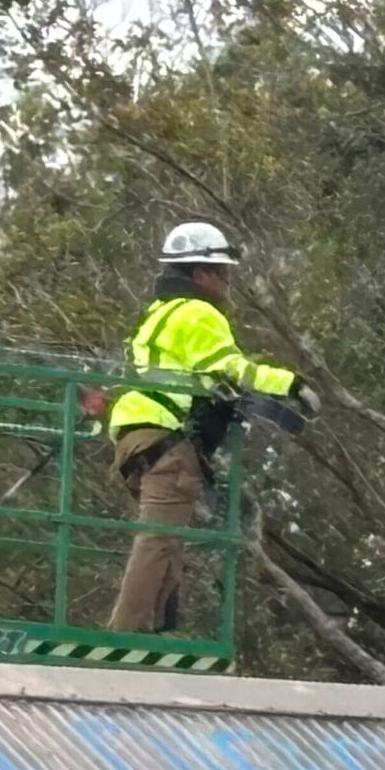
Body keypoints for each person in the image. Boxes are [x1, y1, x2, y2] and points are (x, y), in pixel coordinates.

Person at [106, 223, 317, 632]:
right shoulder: (198, 312)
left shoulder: (158, 313)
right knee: (157, 539)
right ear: (200, 273)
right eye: (222, 272)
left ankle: (157, 633)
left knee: (167, 540)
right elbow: (233, 368)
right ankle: (123, 638)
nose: (227, 281)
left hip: (134, 436)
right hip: (165, 439)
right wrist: (291, 384)